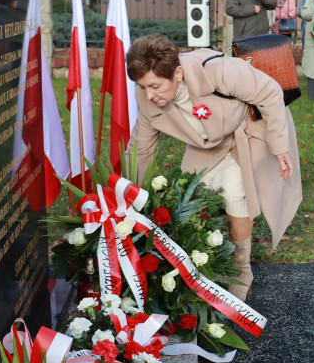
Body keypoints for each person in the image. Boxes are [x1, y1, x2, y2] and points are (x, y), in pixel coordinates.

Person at [127, 34, 302, 300]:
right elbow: (141, 148)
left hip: (248, 131)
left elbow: (270, 92)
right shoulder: (148, 99)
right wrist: (130, 195)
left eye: (155, 86)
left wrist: (280, 146)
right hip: (206, 144)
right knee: (190, 198)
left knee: (234, 197)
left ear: (177, 73)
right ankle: (212, 262)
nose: (148, 95)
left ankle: (241, 271)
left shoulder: (217, 70)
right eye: (141, 87)